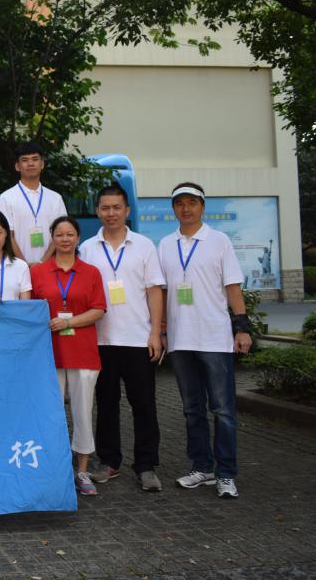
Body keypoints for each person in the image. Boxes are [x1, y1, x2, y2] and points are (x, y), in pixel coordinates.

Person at [158, 182, 252, 499]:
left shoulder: (219, 241)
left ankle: (226, 473)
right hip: (180, 339)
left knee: (223, 409)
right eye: (180, 203)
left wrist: (242, 328)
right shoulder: (166, 245)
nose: (186, 208)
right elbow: (163, 292)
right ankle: (202, 467)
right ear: (174, 208)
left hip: (214, 337)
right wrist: (161, 330)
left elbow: (233, 288)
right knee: (192, 409)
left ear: (202, 206)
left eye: (192, 202)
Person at [79, 184, 166, 492]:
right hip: (100, 340)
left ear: (127, 210)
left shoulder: (144, 246)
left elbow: (154, 291)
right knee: (106, 404)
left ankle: (146, 465)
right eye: (105, 207)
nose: (111, 213)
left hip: (138, 338)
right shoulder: (87, 248)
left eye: (117, 207)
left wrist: (156, 332)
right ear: (98, 211)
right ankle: (109, 461)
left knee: (143, 404)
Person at [30, 216, 107, 497]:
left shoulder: (91, 272)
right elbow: (29, 309)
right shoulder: (38, 272)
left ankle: (82, 469)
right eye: (59, 234)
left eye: (70, 234)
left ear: (78, 237)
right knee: (50, 413)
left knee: (82, 412)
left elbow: (98, 309)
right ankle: (54, 468)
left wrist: (68, 322)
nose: (64, 239)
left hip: (82, 352)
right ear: (52, 238)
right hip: (48, 354)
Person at [0, 142, 67, 266]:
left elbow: (61, 233)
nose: (30, 163)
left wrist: (42, 263)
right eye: (25, 160)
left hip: (50, 266)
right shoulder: (6, 198)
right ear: (17, 166)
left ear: (42, 164)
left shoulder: (55, 198)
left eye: (35, 159)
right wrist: (24, 265)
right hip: (16, 267)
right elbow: (7, 235)